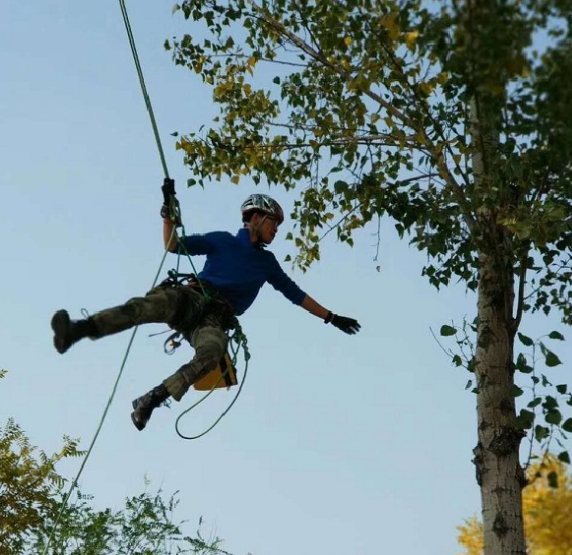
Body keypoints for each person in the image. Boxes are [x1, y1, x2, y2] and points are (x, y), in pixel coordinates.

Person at [51, 180, 361, 431]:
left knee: (212, 354)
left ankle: (151, 400)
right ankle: (76, 331)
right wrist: (167, 211)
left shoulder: (267, 263)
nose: (276, 231)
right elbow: (173, 244)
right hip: (191, 298)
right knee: (143, 307)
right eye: (273, 224)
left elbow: (296, 295)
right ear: (256, 218)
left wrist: (331, 317)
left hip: (213, 319)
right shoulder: (222, 240)